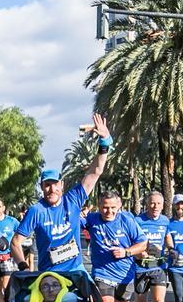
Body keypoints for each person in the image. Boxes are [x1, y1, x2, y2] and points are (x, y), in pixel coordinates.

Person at [11, 113, 112, 274]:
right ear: (42, 187)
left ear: (62, 185)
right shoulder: (37, 211)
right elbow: (16, 242)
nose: (52, 189)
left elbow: (96, 171)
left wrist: (105, 141)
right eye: (47, 185)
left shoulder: (73, 199)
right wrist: (23, 266)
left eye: (55, 185)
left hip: (76, 271)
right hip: (49, 276)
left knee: (94, 298)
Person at [85, 191, 147, 302]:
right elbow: (70, 220)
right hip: (102, 274)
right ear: (98, 205)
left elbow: (143, 244)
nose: (108, 211)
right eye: (105, 207)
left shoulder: (127, 220)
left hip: (125, 276)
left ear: (119, 206)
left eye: (112, 207)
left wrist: (126, 252)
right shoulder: (92, 219)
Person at [127, 191, 172, 302]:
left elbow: (167, 237)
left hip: (158, 267)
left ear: (163, 205)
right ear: (147, 204)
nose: (155, 206)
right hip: (140, 267)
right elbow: (131, 241)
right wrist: (140, 252)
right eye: (152, 203)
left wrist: (171, 248)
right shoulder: (138, 220)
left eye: (159, 203)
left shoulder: (165, 220)